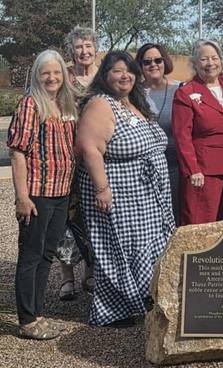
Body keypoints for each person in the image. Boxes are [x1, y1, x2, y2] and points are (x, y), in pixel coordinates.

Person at [76, 51, 175, 327]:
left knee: (147, 247)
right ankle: (111, 311)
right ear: (105, 75)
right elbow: (90, 148)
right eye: (117, 71)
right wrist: (102, 188)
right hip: (118, 192)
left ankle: (142, 297)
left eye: (129, 71)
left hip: (146, 196)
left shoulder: (135, 102)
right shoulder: (101, 104)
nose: (124, 76)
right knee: (120, 247)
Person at [8, 50, 78, 339]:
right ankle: (26, 321)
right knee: (31, 256)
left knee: (47, 255)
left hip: (60, 194)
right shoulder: (30, 105)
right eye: (45, 72)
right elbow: (17, 153)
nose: (51, 77)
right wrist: (22, 197)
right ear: (37, 75)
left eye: (56, 72)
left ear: (63, 75)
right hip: (37, 195)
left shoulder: (63, 104)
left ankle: (38, 314)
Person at [172, 39, 223, 225]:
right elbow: (182, 136)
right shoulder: (186, 93)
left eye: (215, 58)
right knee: (202, 225)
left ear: (221, 61)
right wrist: (193, 170)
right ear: (195, 63)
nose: (210, 63)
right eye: (204, 59)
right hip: (204, 174)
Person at [58, 26, 99, 301]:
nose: (84, 51)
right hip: (68, 157)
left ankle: (91, 272)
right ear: (71, 51)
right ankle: (67, 278)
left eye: (88, 45)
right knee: (67, 217)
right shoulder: (64, 77)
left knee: (94, 214)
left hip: (97, 155)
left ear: (96, 48)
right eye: (78, 46)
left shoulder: (104, 77)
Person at [136, 43, 181, 224]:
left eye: (157, 60)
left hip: (176, 166)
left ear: (165, 62)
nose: (153, 65)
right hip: (145, 169)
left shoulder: (180, 89)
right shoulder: (134, 92)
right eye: (146, 62)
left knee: (175, 214)